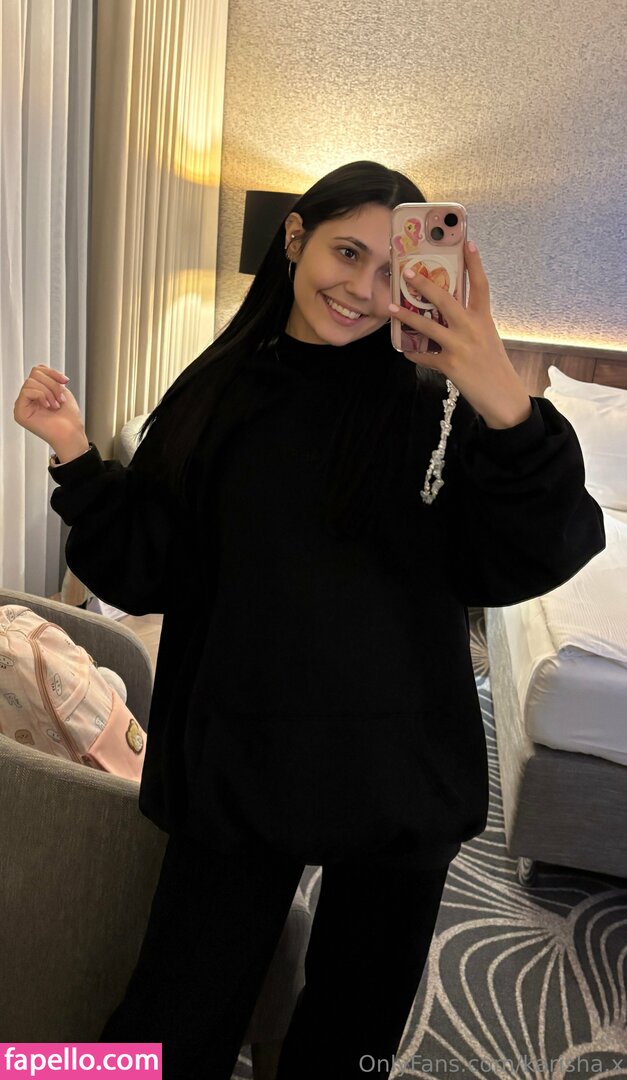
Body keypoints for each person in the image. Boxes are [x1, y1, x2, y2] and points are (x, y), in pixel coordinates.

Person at [13, 160, 605, 1079]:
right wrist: (75, 454)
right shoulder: (220, 392)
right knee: (169, 1028)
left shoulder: (441, 409)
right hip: (240, 764)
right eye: (346, 252)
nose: (363, 290)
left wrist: (507, 404)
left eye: (391, 269)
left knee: (350, 1042)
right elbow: (147, 568)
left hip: (398, 771)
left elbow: (526, 557)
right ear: (294, 237)